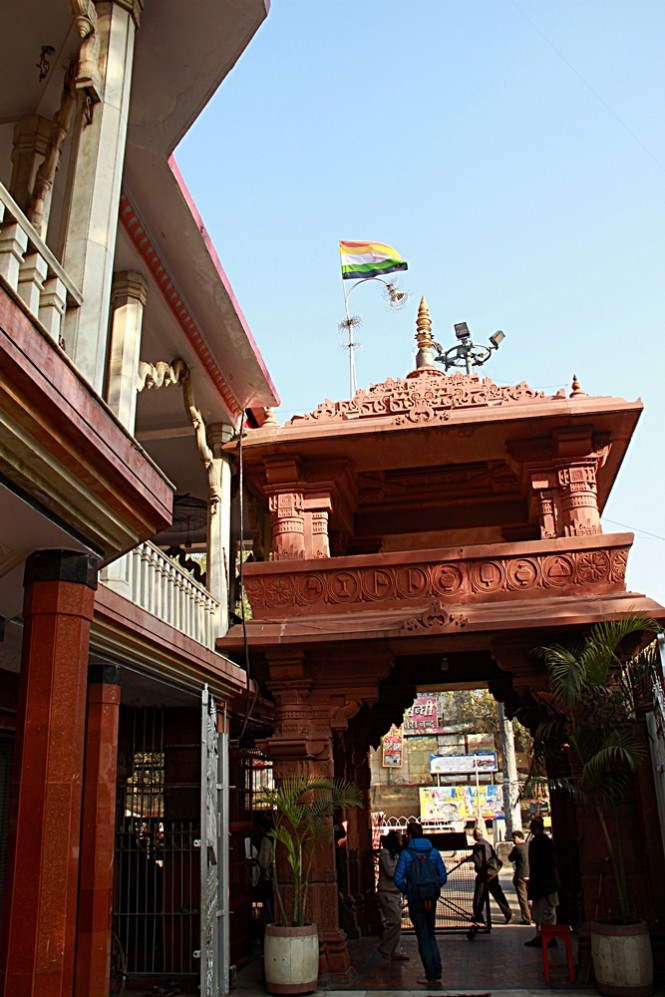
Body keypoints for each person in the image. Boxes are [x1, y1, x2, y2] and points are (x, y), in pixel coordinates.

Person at [394, 822, 447, 989]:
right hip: (430, 898)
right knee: (431, 932)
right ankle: (436, 969)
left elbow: (398, 878)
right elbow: (443, 876)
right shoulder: (433, 852)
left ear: (409, 835)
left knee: (422, 935)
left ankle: (430, 975)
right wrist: (432, 888)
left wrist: (409, 891)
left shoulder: (406, 854)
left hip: (416, 899)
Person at [524, 817, 559, 948]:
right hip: (544, 884)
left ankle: (548, 936)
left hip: (545, 885)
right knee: (542, 912)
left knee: (546, 912)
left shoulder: (541, 844)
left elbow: (545, 864)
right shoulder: (542, 843)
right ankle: (544, 936)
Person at [469, 825, 514, 925]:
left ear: (475, 835)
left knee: (479, 896)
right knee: (498, 894)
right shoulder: (487, 844)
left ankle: (478, 915)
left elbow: (478, 861)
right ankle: (508, 914)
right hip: (492, 873)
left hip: (484, 874)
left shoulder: (478, 846)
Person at [376, 832, 409, 962]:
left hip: (395, 892)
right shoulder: (385, 853)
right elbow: (391, 873)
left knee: (397, 922)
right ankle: (385, 948)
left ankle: (395, 950)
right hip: (387, 892)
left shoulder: (395, 854)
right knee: (395, 921)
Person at [508, 829, 531, 924]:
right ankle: (532, 915)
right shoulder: (529, 846)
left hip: (521, 875)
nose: (513, 840)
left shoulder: (517, 848)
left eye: (514, 838)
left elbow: (510, 858)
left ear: (518, 838)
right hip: (530, 874)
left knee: (522, 897)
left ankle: (527, 918)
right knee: (530, 896)